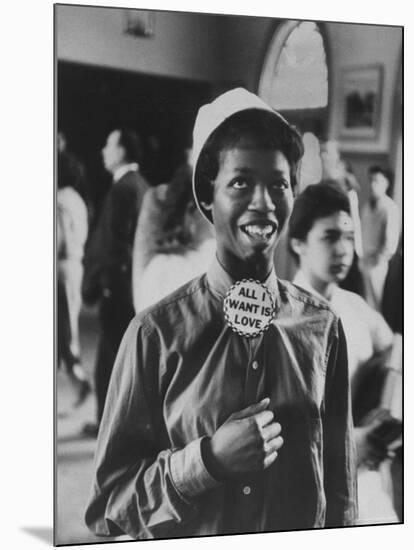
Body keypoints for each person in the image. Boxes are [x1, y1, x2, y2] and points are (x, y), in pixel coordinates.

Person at [85, 88, 356, 539]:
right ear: (208, 197)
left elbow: (340, 492)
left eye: (279, 184)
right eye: (241, 183)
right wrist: (205, 461)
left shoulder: (322, 328)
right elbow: (107, 506)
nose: (264, 202)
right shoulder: (154, 334)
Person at [288, 182, 400, 525]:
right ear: (298, 244)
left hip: (366, 477)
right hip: (308, 484)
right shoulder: (283, 321)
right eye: (330, 237)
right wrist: (350, 444)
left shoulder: (355, 307)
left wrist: (382, 407)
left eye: (350, 238)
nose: (344, 250)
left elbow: (395, 349)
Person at [82, 128, 149, 436]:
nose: (102, 151)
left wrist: (102, 284)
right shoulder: (140, 186)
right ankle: (110, 424)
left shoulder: (124, 188)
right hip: (129, 284)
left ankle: (109, 428)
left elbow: (113, 243)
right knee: (114, 359)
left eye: (109, 145)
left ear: (122, 151)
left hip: (117, 287)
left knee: (111, 361)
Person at [132, 145, 215, 313]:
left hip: (158, 279)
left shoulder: (156, 198)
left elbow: (141, 253)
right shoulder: (158, 197)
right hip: (185, 276)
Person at [57, 134, 91, 407]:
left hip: (61, 267)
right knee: (65, 329)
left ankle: (80, 382)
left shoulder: (60, 200)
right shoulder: (77, 198)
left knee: (66, 330)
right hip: (73, 265)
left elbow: (60, 240)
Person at [361, 166, 400, 310]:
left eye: (376, 181)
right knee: (364, 302)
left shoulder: (390, 208)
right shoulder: (366, 207)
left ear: (386, 183)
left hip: (378, 265)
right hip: (364, 261)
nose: (372, 185)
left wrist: (378, 258)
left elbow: (391, 243)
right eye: (370, 180)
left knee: (375, 304)